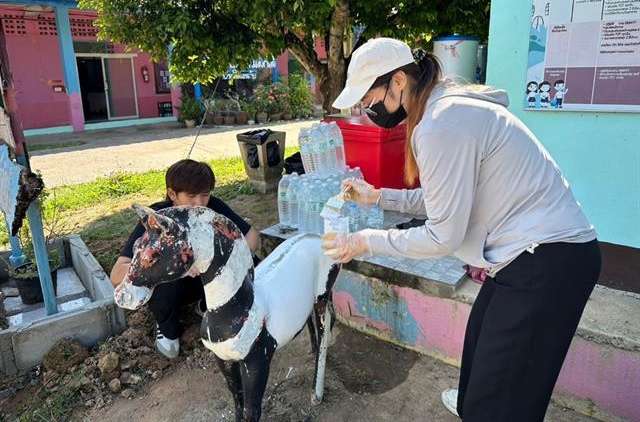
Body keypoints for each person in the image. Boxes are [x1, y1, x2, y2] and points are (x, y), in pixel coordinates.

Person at [323, 38, 600, 422]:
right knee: (482, 355)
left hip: (548, 260)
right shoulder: (443, 108)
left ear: (398, 80)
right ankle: (475, 405)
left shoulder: (440, 123)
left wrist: (364, 241)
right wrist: (378, 198)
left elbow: (442, 236)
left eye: (370, 97)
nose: (368, 108)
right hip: (533, 257)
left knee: (506, 391)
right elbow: (446, 200)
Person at [110, 159, 261, 358]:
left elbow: (251, 237)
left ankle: (208, 306)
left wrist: (224, 258)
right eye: (191, 196)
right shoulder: (157, 220)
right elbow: (116, 274)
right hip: (173, 287)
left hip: (206, 279)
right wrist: (172, 267)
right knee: (166, 279)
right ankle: (167, 328)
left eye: (205, 195)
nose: (199, 203)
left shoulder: (210, 210)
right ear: (172, 194)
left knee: (253, 265)